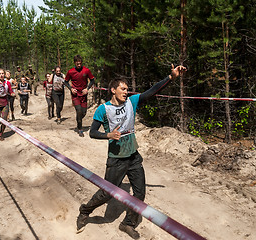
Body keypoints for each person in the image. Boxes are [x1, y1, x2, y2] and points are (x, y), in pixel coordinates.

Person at [76, 64, 187, 239]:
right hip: (116, 158)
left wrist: (171, 77)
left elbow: (152, 92)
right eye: (123, 89)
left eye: (127, 89)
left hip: (133, 156)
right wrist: (109, 135)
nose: (126, 92)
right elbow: (92, 132)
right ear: (113, 90)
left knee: (140, 193)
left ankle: (127, 223)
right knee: (106, 193)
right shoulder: (103, 109)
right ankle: (85, 210)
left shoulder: (132, 102)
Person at [64, 55, 95, 137]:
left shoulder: (86, 70)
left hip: (83, 94)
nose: (79, 65)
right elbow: (65, 82)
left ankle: (78, 121)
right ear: (74, 63)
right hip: (75, 94)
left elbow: (92, 80)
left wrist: (87, 89)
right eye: (77, 64)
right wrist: (71, 88)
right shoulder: (70, 72)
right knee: (79, 110)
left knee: (83, 112)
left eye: (80, 63)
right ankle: (80, 129)